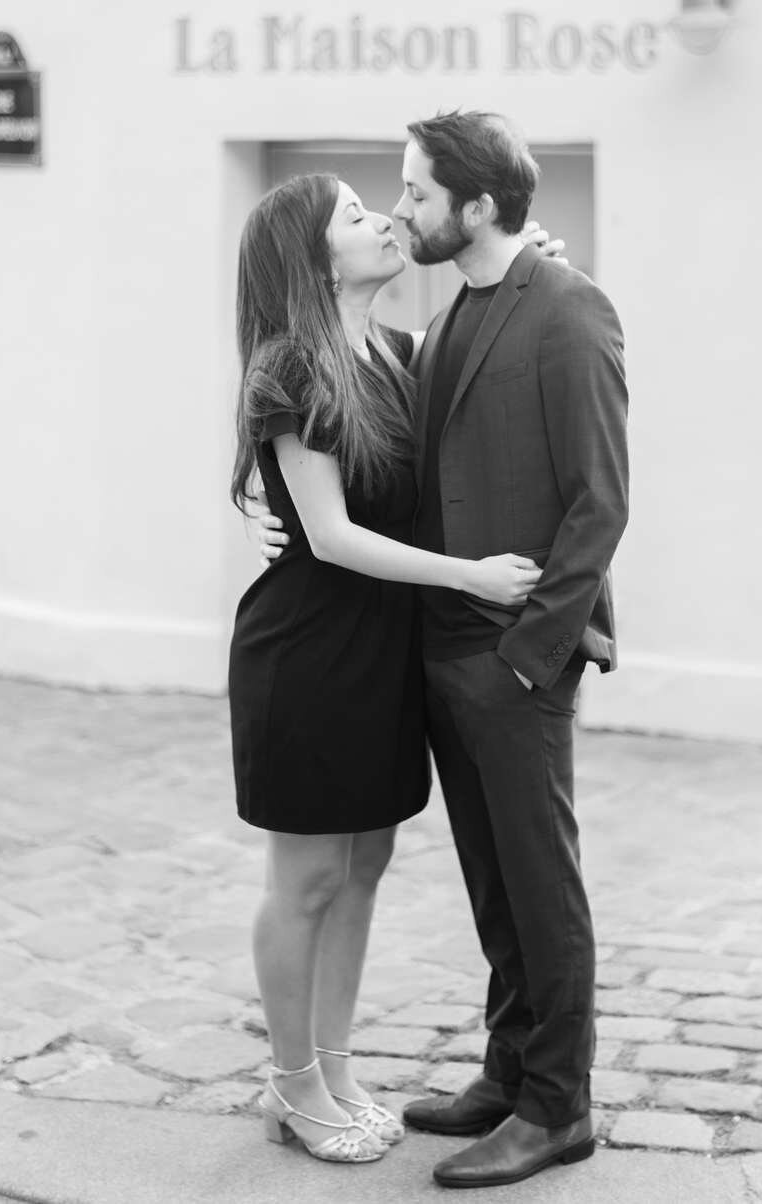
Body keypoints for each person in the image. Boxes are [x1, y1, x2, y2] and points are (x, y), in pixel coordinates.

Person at [257, 111, 629, 1189]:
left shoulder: (568, 309)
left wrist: (531, 651)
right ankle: (509, 1074)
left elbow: (599, 502)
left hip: (516, 658)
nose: (401, 209)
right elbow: (341, 460)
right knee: (494, 884)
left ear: (474, 207)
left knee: (542, 886)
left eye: (415, 193)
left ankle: (559, 1107)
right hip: (440, 659)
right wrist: (263, 507)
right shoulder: (447, 320)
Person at [228, 170, 554, 1166]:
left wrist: (536, 271)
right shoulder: (291, 366)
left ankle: (332, 1068)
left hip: (383, 653)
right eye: (356, 215)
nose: (380, 221)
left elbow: (493, 354)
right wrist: (473, 577)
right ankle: (290, 1089)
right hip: (310, 654)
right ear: (312, 255)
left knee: (365, 864)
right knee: (309, 876)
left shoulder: (402, 353)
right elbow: (325, 536)